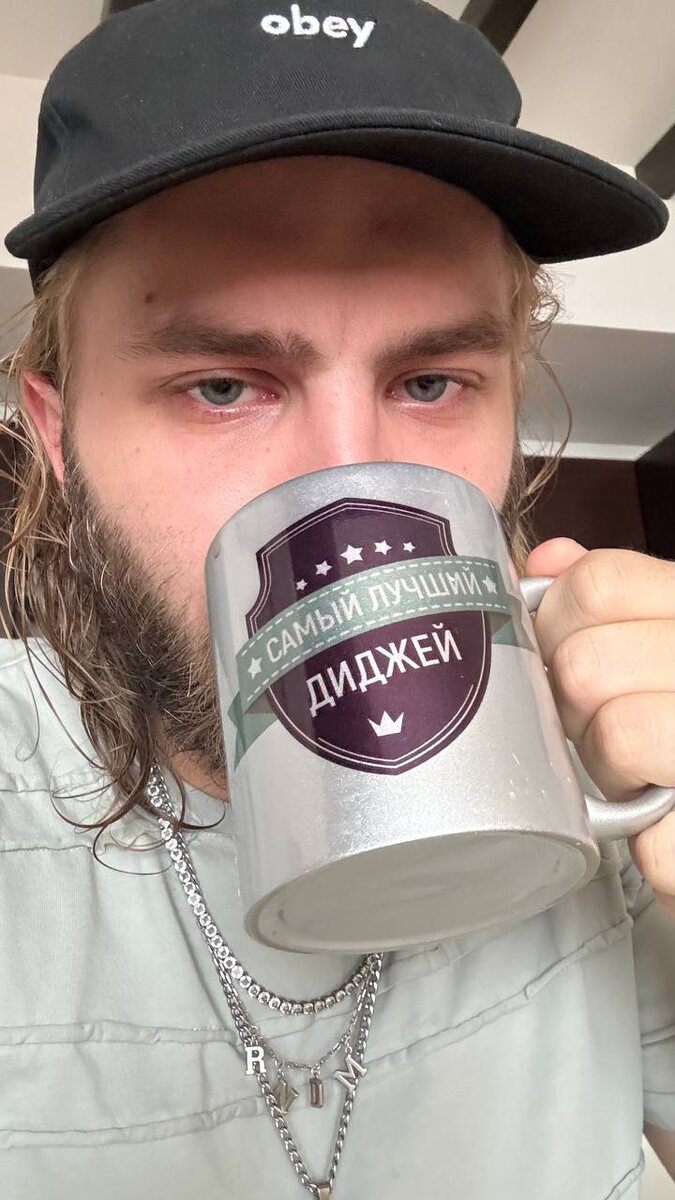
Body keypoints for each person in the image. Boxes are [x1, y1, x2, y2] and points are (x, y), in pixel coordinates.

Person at [1, 0, 674, 1196]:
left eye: (432, 381)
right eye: (221, 385)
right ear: (56, 435)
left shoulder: (614, 777)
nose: (347, 491)